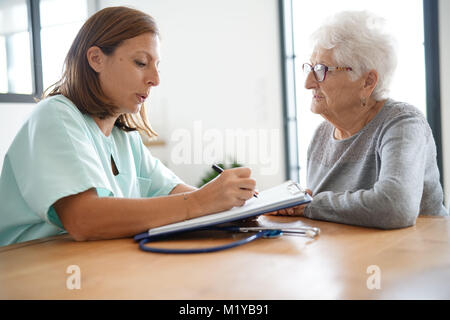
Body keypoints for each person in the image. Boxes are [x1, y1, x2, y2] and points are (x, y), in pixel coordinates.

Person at [0, 6, 257, 246]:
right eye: (141, 63)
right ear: (96, 59)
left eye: (157, 67)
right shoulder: (55, 115)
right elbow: (83, 220)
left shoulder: (124, 137)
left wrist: (243, 205)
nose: (155, 80)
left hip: (86, 266)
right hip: (29, 268)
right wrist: (201, 202)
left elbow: (175, 192)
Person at [270, 11, 447, 228]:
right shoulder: (321, 136)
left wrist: (309, 204)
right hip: (353, 255)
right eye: (311, 67)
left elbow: (394, 207)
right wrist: (299, 202)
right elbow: (328, 213)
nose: (308, 83)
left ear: (367, 82)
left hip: (414, 254)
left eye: (321, 70)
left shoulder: (402, 123)